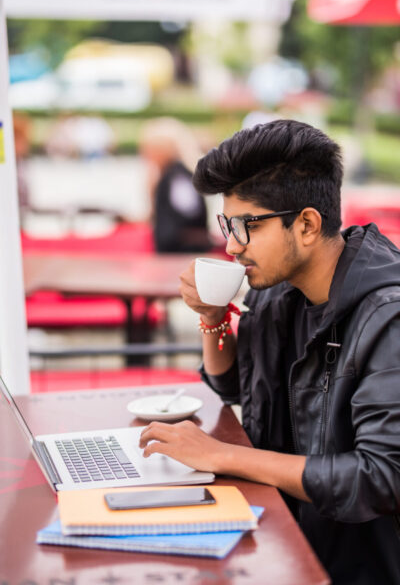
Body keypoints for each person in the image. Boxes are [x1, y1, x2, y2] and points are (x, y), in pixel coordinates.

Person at [139, 119, 400, 584]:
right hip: (275, 539)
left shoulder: (387, 317)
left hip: (351, 566)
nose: (231, 245)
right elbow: (234, 382)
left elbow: (378, 478)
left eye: (246, 227)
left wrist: (222, 455)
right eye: (227, 224)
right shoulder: (278, 291)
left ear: (306, 224)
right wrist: (215, 316)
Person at [139, 117, 211, 253]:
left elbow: (187, 216)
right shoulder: (171, 175)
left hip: (182, 255)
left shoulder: (178, 178)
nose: (144, 155)